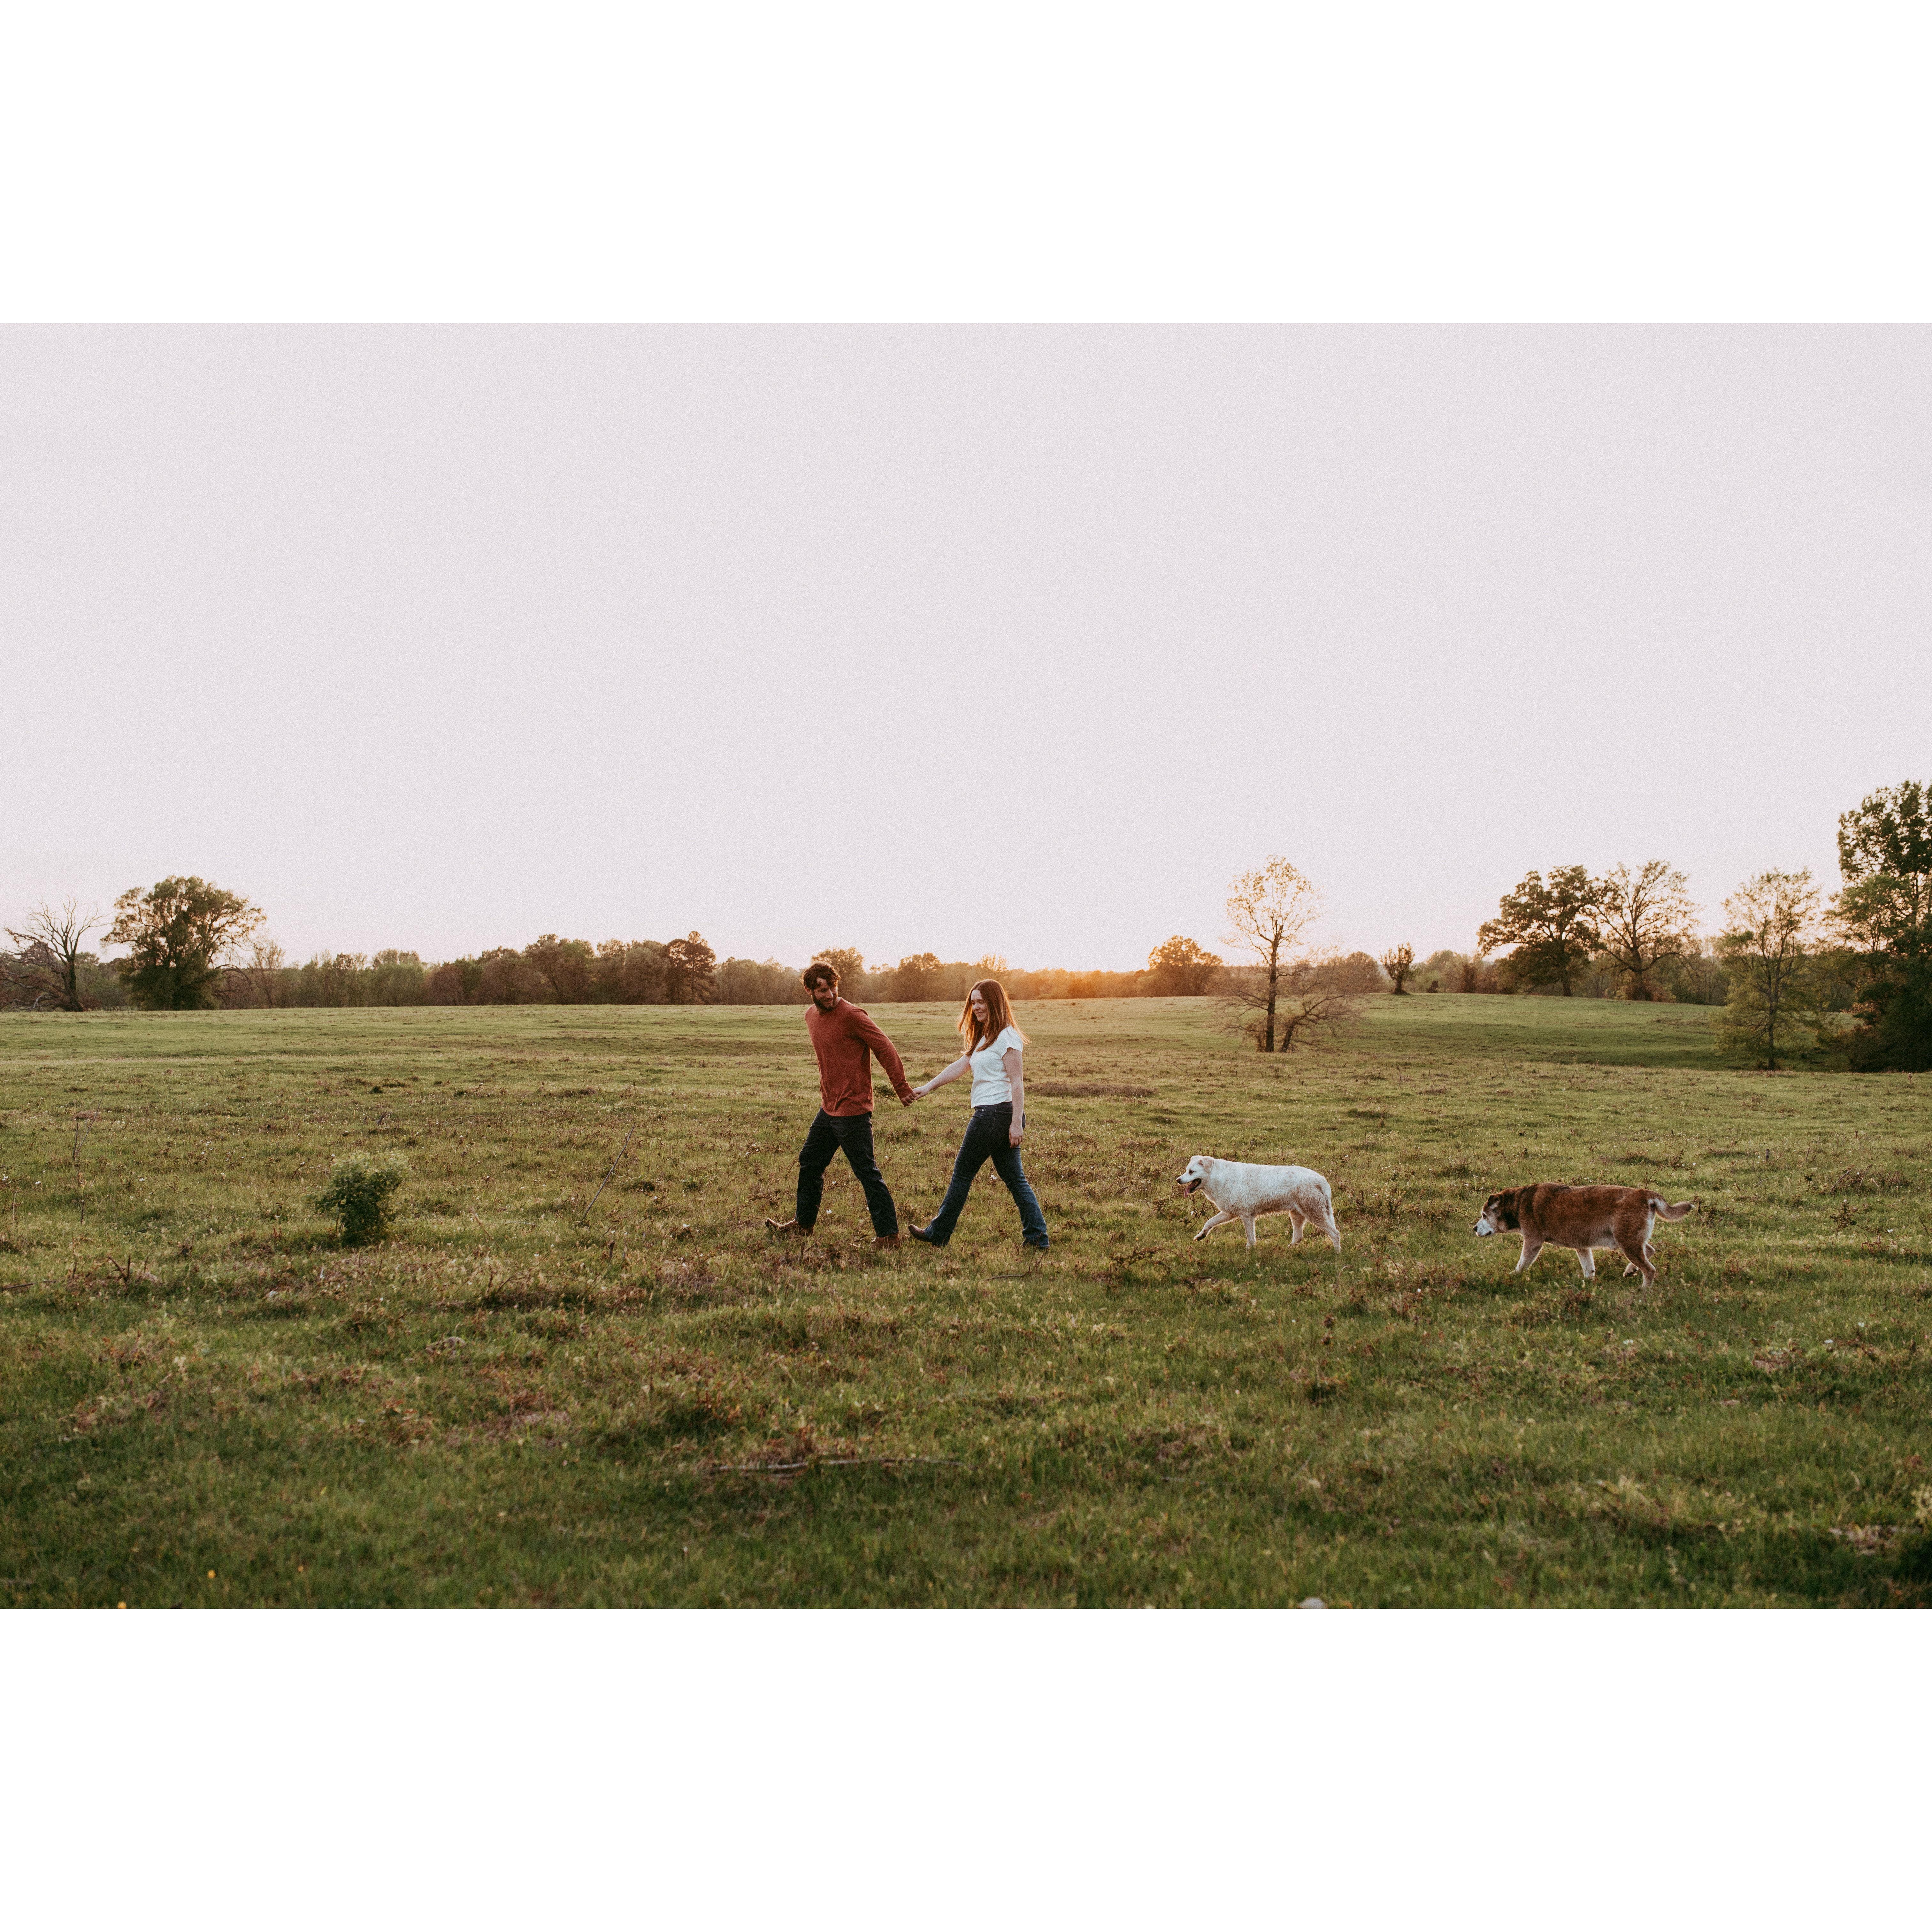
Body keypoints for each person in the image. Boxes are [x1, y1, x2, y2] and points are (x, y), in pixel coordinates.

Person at [766, 960, 915, 1248]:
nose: (831, 995)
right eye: (823, 990)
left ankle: (889, 1236)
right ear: (809, 991)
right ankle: (804, 1225)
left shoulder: (852, 1015)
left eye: (833, 987)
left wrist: (901, 1087)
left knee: (866, 1171)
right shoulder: (810, 1016)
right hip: (828, 1108)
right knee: (810, 1161)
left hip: (853, 1110)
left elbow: (884, 1046)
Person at [905, 978, 1048, 1252]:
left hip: (994, 1115)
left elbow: (1017, 1082)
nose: (976, 1008)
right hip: (999, 1116)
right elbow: (963, 1064)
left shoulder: (1007, 1036)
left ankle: (938, 1233)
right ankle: (1038, 1238)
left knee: (962, 1175)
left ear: (995, 1002)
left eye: (981, 1002)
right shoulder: (986, 1036)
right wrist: (929, 1087)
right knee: (1016, 1180)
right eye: (973, 1003)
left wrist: (1016, 1123)